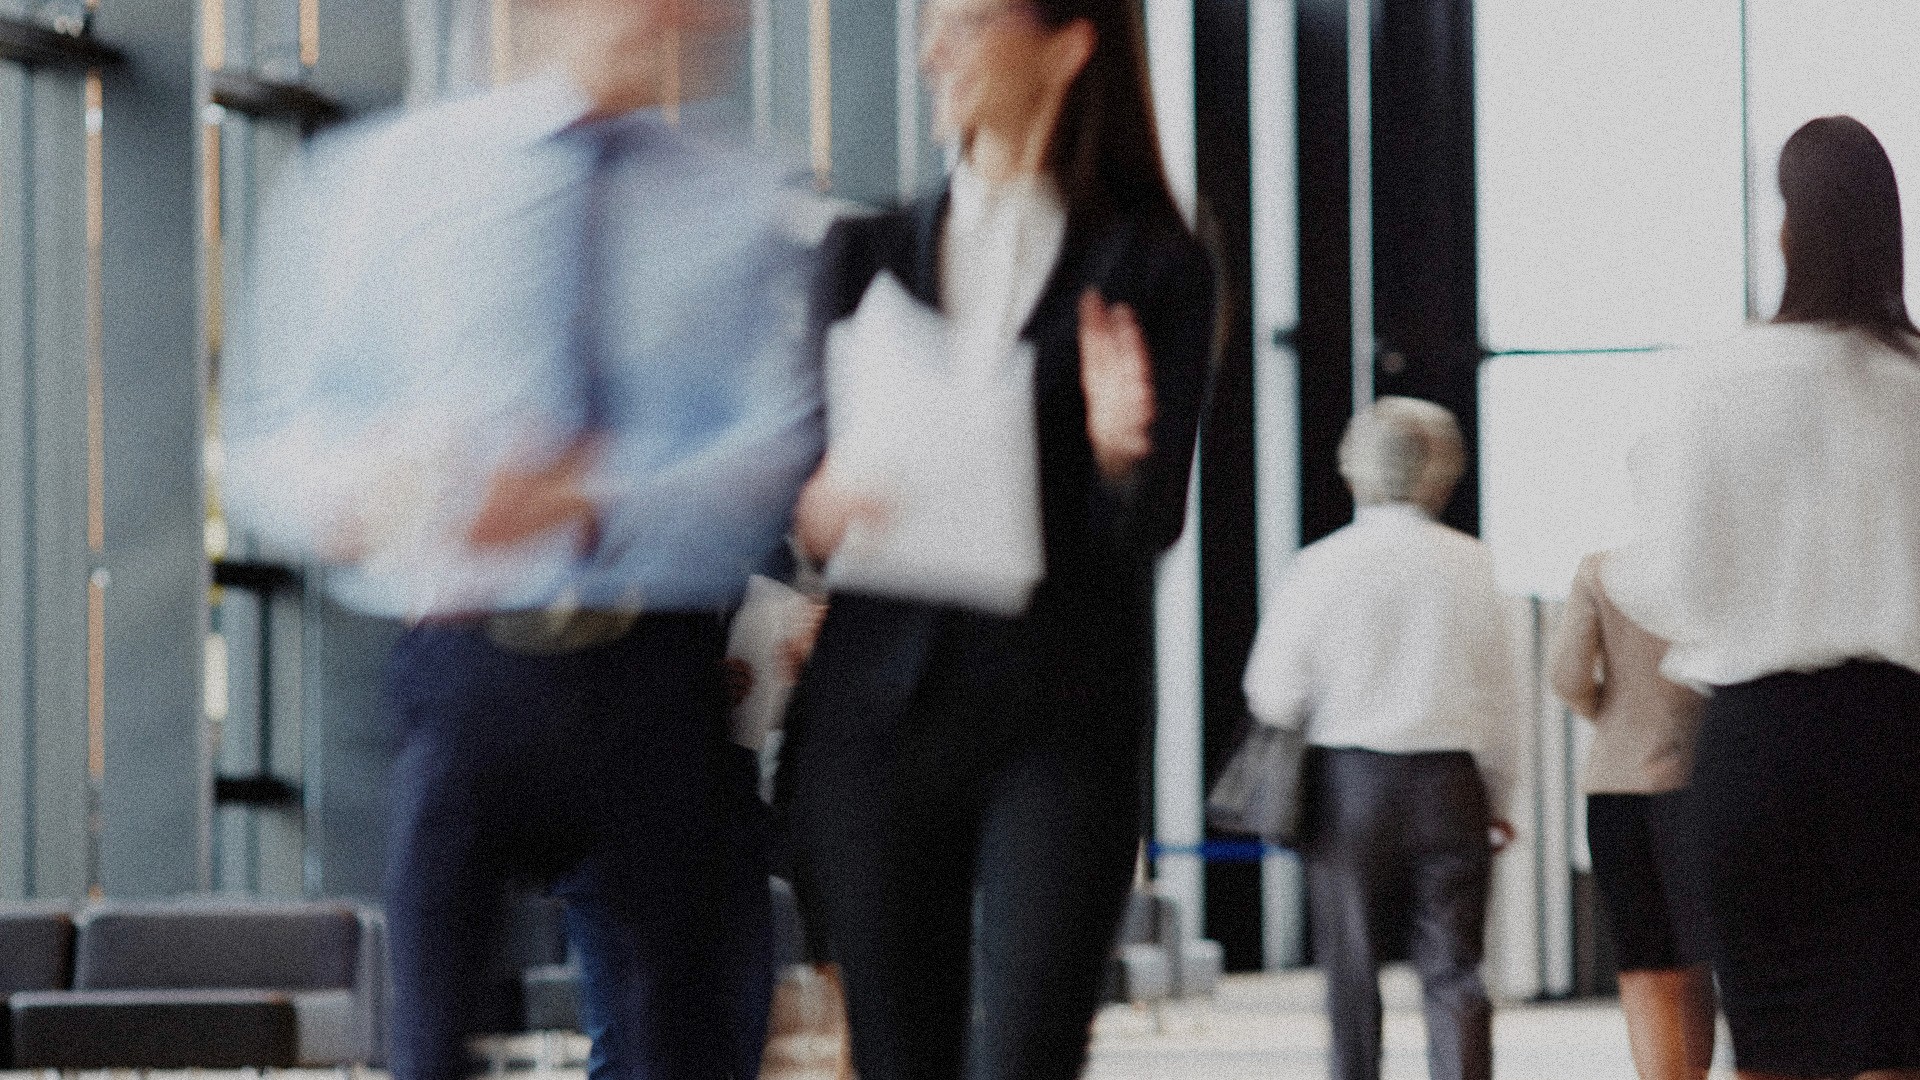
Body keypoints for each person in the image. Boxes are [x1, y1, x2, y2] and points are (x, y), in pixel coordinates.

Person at [220, 2, 822, 1078]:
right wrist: (370, 488)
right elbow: (271, 437)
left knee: (687, 1046)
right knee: (429, 1045)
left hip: (663, 680)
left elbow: (774, 447)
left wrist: (591, 497)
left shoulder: (740, 198)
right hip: (460, 673)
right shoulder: (386, 180)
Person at [773, 0, 1216, 1076]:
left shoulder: (1155, 265)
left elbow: (1151, 531)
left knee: (1029, 1052)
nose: (933, 51)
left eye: (966, 22)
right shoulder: (862, 251)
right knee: (899, 1055)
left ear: (1067, 48)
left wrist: (1122, 460)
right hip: (872, 723)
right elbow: (788, 497)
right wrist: (810, 511)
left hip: (1057, 728)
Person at [1604, 115, 1920, 1080]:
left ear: (1786, 230)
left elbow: (1659, 582)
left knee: (1774, 1040)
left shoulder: (1714, 379)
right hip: (1902, 741)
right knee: (1899, 1036)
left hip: (1759, 745)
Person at [1242, 397, 1520, 1080]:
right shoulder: (1472, 564)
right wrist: (1500, 795)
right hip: (1450, 786)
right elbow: (1500, 699)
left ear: (1353, 468)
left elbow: (1272, 688)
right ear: (1443, 471)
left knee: (1352, 977)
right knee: (1455, 973)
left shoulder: (1320, 564)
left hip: (1348, 791)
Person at [1548, 551, 1714, 1080]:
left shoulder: (1603, 571)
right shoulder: (1713, 564)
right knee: (1698, 960)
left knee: (1644, 967)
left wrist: (1614, 718)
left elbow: (1565, 675)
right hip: (1704, 780)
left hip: (1620, 789)